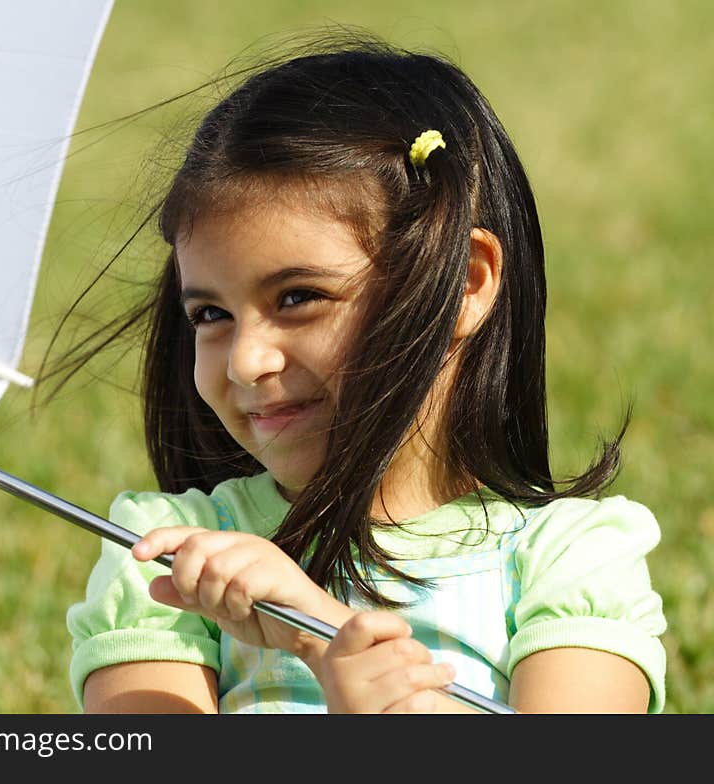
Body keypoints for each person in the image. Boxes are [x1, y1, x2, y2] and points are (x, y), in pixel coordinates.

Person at [61, 35, 667, 714]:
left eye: (298, 298)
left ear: (463, 285)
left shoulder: (571, 559)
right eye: (209, 313)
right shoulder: (170, 562)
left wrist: (328, 642)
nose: (245, 360)